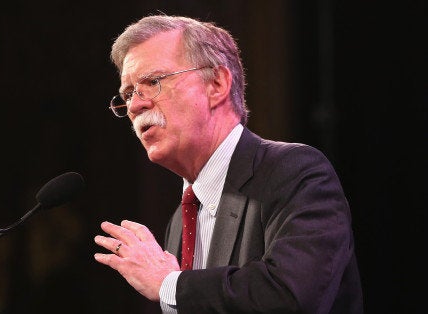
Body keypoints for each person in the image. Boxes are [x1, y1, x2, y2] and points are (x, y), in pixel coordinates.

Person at [93, 14, 363, 314]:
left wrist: (169, 284)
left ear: (217, 84)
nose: (134, 105)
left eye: (153, 82)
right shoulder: (178, 223)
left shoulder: (294, 173)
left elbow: (291, 295)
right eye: (128, 94)